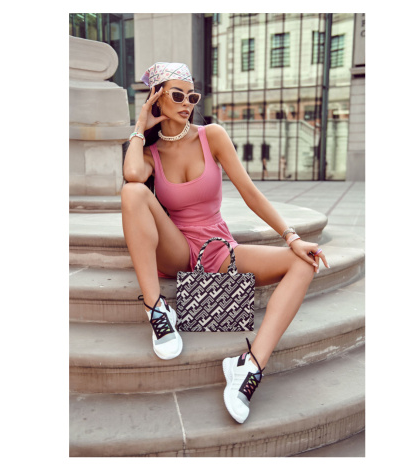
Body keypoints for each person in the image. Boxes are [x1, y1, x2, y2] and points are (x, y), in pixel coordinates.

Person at [121, 62, 330, 424]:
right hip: (177, 249)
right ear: (156, 98)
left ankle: (249, 366)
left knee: (303, 262)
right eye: (176, 95)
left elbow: (249, 192)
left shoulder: (211, 135)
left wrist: (292, 237)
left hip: (218, 250)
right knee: (132, 192)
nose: (187, 103)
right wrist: (140, 125)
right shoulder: (150, 153)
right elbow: (131, 175)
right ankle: (157, 310)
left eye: (192, 97)